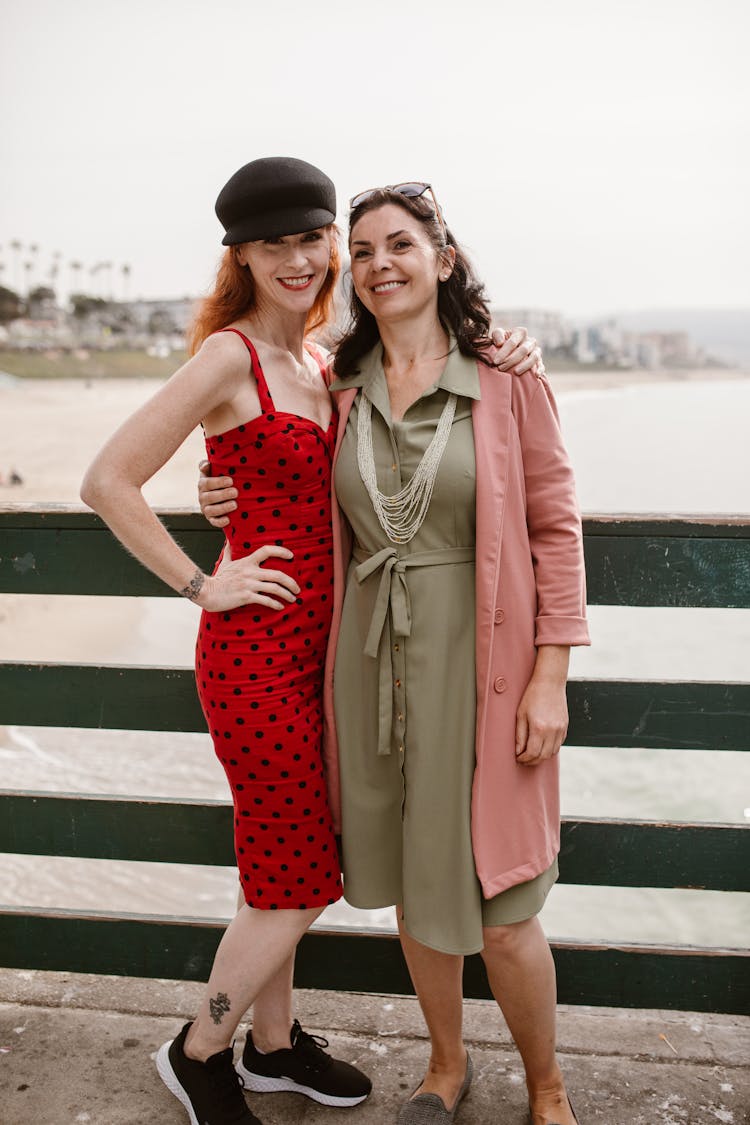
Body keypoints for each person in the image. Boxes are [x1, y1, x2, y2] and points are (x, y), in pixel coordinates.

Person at [81, 157, 542, 1125]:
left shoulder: (328, 362)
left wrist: (501, 341)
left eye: (310, 237)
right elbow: (107, 480)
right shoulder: (228, 357)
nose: (299, 258)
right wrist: (204, 581)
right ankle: (201, 1046)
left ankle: (275, 1049)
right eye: (271, 243)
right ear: (238, 256)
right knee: (298, 879)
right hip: (253, 659)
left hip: (331, 658)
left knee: (279, 864)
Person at [203, 182, 588, 1125]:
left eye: (400, 244)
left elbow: (555, 526)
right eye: (364, 249)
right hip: (370, 667)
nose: (379, 263)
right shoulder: (341, 379)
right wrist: (212, 487)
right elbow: (267, 454)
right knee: (420, 894)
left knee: (504, 908)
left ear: (443, 259)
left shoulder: (505, 377)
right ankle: (444, 1068)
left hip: (484, 665)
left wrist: (550, 675)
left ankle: (548, 1087)